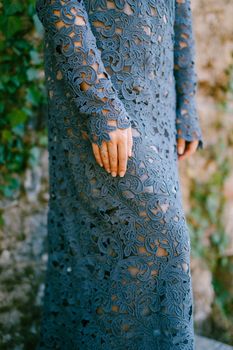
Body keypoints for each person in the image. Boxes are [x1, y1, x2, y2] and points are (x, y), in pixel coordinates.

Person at [35, 0, 203, 349]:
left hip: (158, 99)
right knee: (164, 234)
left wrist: (187, 100)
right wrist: (101, 106)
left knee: (124, 254)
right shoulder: (100, 104)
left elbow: (182, 11)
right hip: (97, 94)